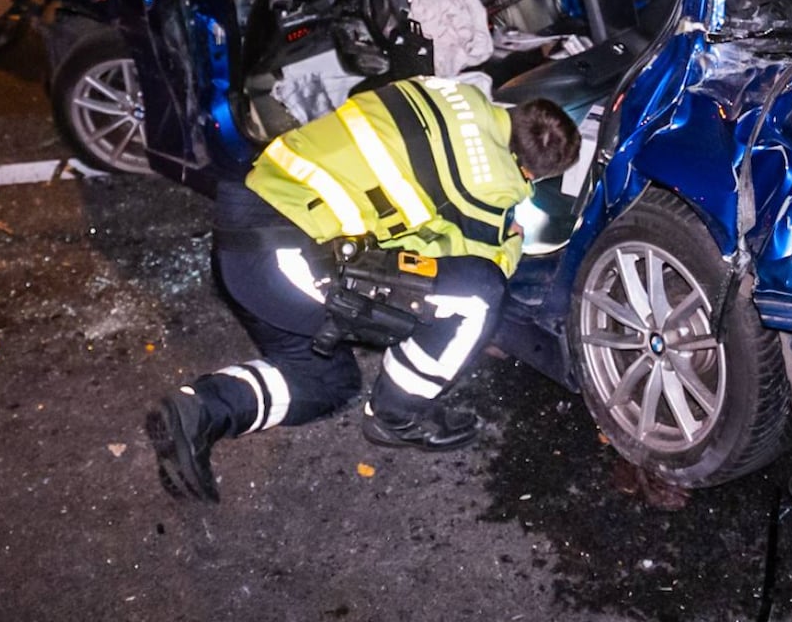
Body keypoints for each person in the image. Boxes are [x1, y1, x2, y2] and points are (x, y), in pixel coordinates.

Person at [146, 77, 580, 503]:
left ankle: (199, 411)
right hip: (287, 256)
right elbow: (469, 265)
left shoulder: (451, 91)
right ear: (530, 172)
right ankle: (397, 416)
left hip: (248, 216)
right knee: (478, 295)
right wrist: (512, 241)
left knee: (327, 383)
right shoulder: (494, 182)